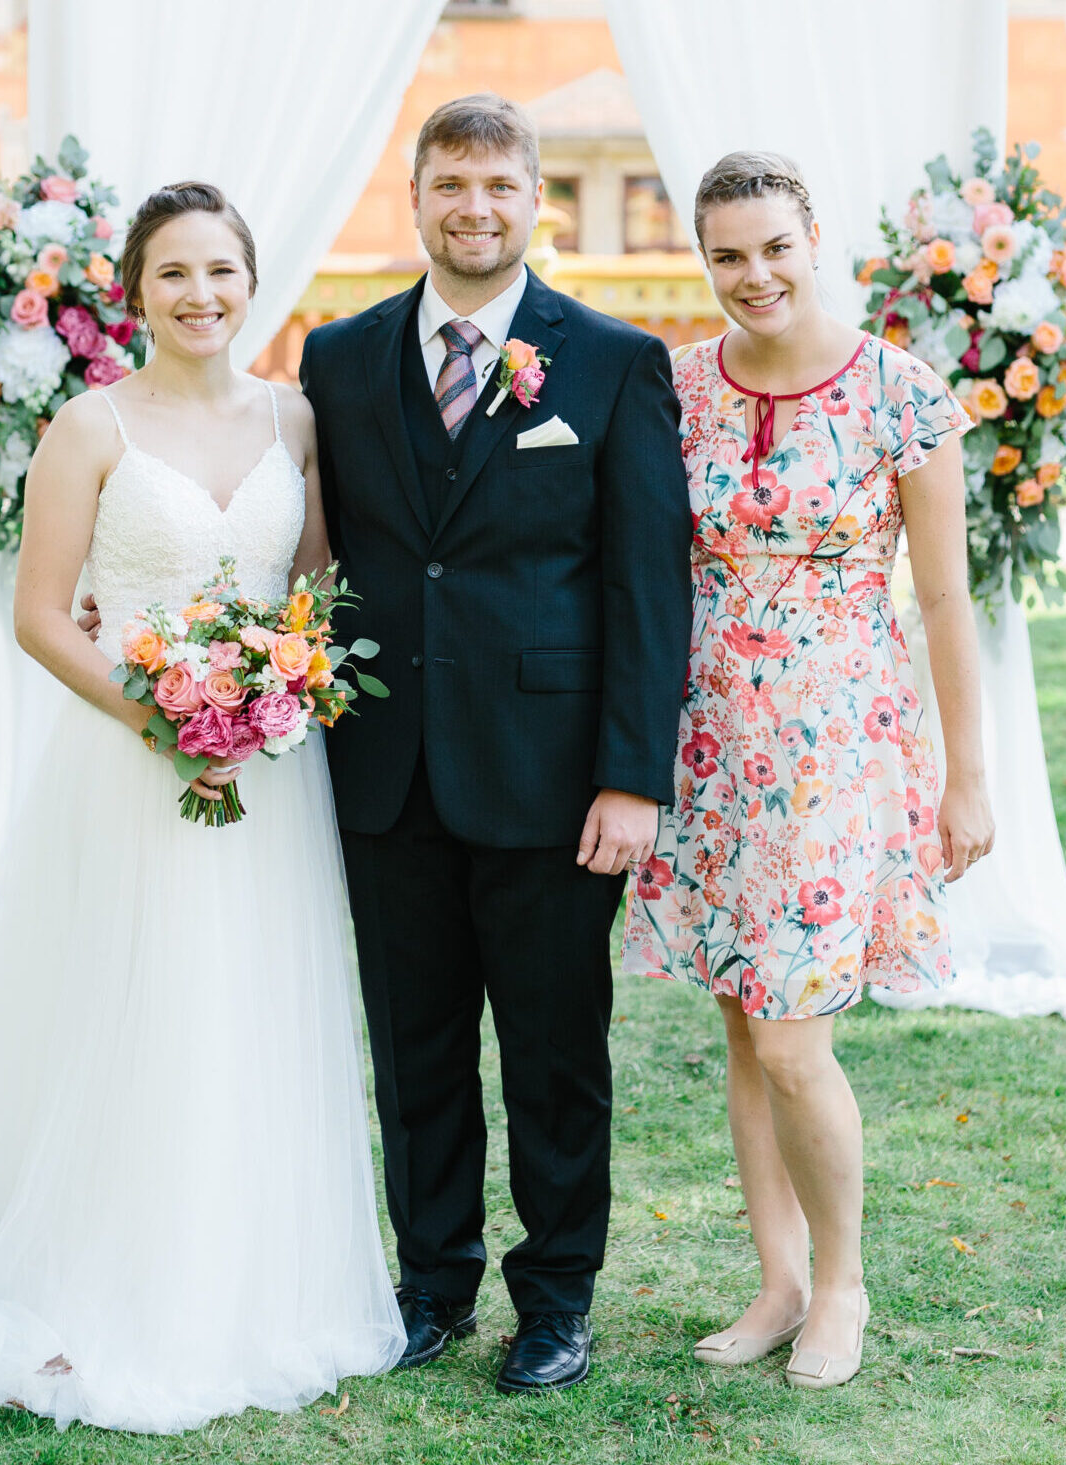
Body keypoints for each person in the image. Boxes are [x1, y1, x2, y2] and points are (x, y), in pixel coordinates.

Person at [0, 183, 405, 1433]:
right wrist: (167, 718)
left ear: (251, 283)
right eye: (173, 275)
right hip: (128, 756)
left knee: (253, 999)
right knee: (134, 997)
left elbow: (317, 587)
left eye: (222, 271)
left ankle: (249, 1259)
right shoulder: (89, 429)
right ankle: (104, 1258)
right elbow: (43, 612)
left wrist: (272, 695)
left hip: (267, 766)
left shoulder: (298, 418)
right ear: (136, 291)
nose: (201, 296)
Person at [298, 94, 691, 1393]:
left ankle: (558, 1295)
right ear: (415, 198)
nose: (476, 206)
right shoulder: (338, 360)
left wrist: (633, 774)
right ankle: (429, 1279)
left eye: (500, 186)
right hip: (385, 768)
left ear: (539, 203)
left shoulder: (613, 360)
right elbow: (317, 560)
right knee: (413, 1043)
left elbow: (648, 586)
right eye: (451, 182)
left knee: (553, 1050)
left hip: (553, 777)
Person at [623, 152, 995, 1390]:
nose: (753, 274)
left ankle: (842, 1281)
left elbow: (943, 598)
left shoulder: (901, 393)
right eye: (726, 254)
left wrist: (965, 776)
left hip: (836, 749)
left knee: (792, 1042)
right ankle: (777, 1278)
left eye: (773, 246)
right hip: (708, 745)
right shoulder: (674, 386)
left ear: (813, 234)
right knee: (743, 1030)